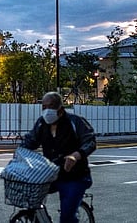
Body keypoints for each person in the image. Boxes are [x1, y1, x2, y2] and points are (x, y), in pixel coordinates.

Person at [22, 91, 96, 223]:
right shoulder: (41, 123)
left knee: (67, 216)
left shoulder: (75, 122)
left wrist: (76, 155)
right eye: (43, 107)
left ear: (60, 109)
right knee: (32, 200)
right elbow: (30, 141)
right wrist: (19, 154)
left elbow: (90, 141)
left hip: (75, 177)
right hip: (51, 174)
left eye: (50, 107)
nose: (46, 111)